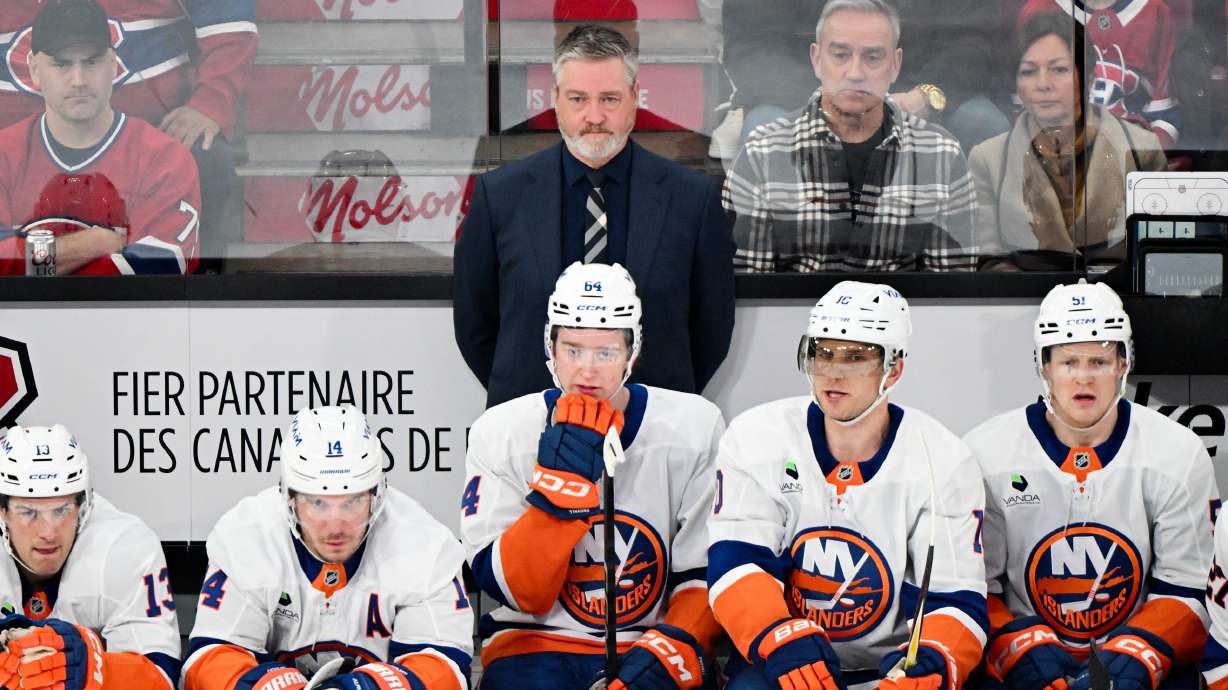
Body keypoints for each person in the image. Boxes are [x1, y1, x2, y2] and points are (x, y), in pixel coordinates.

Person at [708, 281, 987, 689]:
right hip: (783, 659)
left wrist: (930, 660)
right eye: (824, 353)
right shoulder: (756, 437)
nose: (834, 372)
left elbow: (954, 597)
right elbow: (736, 563)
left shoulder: (942, 458)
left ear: (893, 369)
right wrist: (779, 636)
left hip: (887, 670)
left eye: (856, 357)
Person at [461, 262, 724, 689]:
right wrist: (559, 491)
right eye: (573, 349)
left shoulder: (694, 426)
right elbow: (516, 592)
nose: (588, 369)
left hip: (648, 640)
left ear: (632, 351)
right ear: (550, 348)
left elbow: (705, 577)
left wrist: (669, 652)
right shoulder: (502, 430)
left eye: (606, 352)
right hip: (534, 642)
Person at [453, 24, 735, 409]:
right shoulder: (500, 196)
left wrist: (641, 406)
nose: (594, 116)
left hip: (653, 429)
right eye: (578, 99)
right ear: (554, 99)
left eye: (610, 99)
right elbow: (474, 326)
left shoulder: (693, 199)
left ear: (636, 97)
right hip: (532, 425)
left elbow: (712, 330)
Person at [965, 280, 1216, 690]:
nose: (1084, 378)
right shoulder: (984, 452)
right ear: (1043, 365)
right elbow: (970, 586)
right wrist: (1014, 645)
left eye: (1098, 362)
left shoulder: (1177, 451)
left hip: (1140, 653)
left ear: (1123, 364)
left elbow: (1190, 586)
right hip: (1026, 658)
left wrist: (1141, 647)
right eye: (1068, 362)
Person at [180, 405, 472, 690]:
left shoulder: (424, 544)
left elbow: (448, 670)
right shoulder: (247, 537)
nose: (335, 526)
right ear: (289, 498)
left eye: (352, 502)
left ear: (377, 495)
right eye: (317, 502)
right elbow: (207, 664)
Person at [722, 0, 979, 273]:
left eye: (873, 58)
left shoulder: (941, 154)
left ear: (895, 64)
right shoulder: (761, 153)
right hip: (794, 314)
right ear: (817, 59)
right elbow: (746, 285)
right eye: (840, 55)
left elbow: (952, 292)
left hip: (905, 314)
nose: (855, 73)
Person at [0, 0, 254, 263]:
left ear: (112, 63)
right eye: (62, 65)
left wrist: (211, 102)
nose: (78, 80)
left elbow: (158, 272)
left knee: (208, 159)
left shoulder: (166, 159)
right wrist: (92, 245)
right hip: (16, 141)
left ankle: (206, 288)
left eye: (92, 62)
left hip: (152, 126)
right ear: (34, 69)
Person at [969, 12, 1165, 271]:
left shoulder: (1142, 150)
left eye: (1059, 69)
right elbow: (989, 262)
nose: (1043, 84)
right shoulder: (988, 160)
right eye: (1028, 72)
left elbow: (1158, 257)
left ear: (1088, 76)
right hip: (1025, 303)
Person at [0, 424, 180, 689]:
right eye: (29, 512)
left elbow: (161, 676)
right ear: (3, 513)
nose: (48, 532)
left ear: (83, 506)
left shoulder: (126, 547)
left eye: (62, 510)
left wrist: (96, 668)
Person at [720, 0, 1010, 148]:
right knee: (764, 128)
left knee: (984, 124)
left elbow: (975, 38)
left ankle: (983, 258)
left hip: (914, 91)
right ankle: (781, 258)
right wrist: (828, 100)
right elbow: (751, 47)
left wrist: (927, 92)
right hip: (805, 92)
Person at [1018, 0, 1181, 149]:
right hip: (1054, 157)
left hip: (1131, 156)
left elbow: (1165, 118)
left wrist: (1141, 159)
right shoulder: (1038, 10)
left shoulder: (1155, 12)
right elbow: (1022, 109)